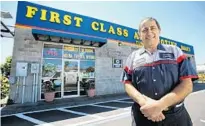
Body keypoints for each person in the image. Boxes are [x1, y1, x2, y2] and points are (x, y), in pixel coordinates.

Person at [121, 17, 198, 126]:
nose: (149, 32)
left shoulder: (175, 51)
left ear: (159, 31)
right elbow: (127, 84)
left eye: (153, 28)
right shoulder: (132, 57)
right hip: (142, 116)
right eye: (144, 30)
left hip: (175, 117)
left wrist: (160, 105)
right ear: (139, 35)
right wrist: (145, 103)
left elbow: (187, 84)